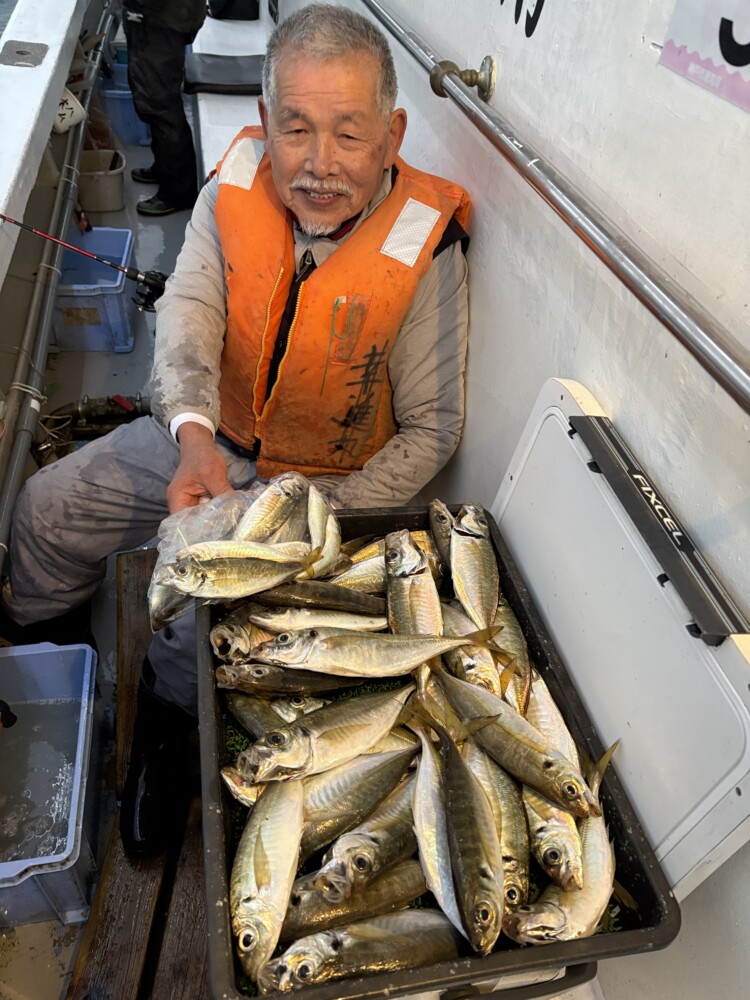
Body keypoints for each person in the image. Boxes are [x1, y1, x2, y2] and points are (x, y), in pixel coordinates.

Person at [0, 3, 471, 855]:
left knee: (192, 627)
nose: (319, 165)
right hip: (207, 441)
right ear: (264, 123)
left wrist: (303, 513)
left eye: (349, 135)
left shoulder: (427, 248)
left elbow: (432, 434)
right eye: (295, 129)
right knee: (44, 508)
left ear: (394, 133)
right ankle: (61, 673)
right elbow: (187, 316)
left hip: (323, 488)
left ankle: (168, 742)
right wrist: (190, 437)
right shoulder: (235, 186)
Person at [122, 0, 206, 216]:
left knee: (159, 102)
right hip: (164, 15)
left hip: (161, 17)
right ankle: (165, 168)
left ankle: (179, 192)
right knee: (154, 97)